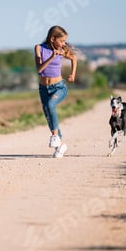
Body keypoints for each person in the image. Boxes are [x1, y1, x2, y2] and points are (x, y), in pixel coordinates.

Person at [35, 25, 77, 158]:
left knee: (50, 105)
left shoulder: (62, 50)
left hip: (59, 87)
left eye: (65, 41)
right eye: (62, 41)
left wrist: (72, 74)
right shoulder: (39, 48)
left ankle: (54, 136)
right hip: (43, 89)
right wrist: (52, 57)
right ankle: (60, 146)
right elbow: (40, 69)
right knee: (49, 116)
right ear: (53, 39)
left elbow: (74, 59)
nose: (64, 44)